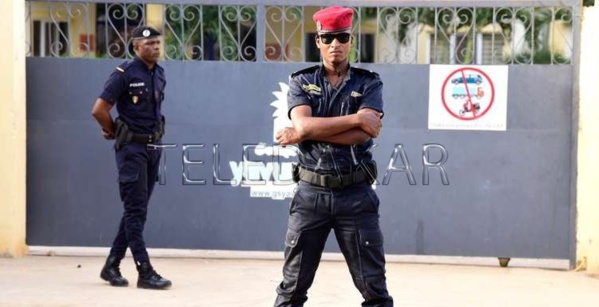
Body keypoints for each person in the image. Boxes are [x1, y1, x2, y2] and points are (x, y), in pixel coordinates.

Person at [274, 6, 393, 307]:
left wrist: (304, 132)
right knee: (291, 290)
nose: (335, 44)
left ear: (350, 40)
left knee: (374, 291)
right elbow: (304, 123)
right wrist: (354, 119)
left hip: (356, 195)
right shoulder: (301, 81)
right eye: (328, 38)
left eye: (341, 37)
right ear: (318, 41)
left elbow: (365, 133)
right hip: (310, 196)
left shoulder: (369, 83)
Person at [91, 25, 171, 290]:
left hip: (153, 148)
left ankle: (111, 265)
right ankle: (144, 270)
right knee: (135, 211)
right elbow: (99, 109)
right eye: (149, 44)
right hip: (131, 151)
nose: (155, 47)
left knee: (136, 211)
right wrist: (113, 131)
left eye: (158, 43)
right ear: (136, 47)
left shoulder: (159, 74)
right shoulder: (123, 74)